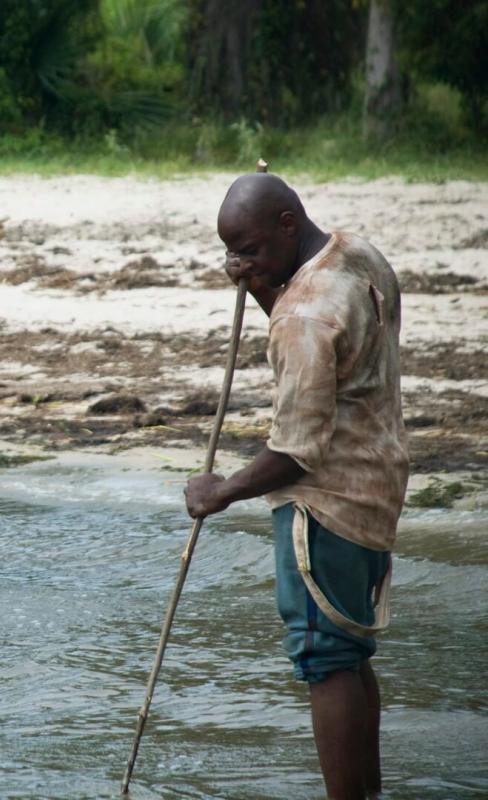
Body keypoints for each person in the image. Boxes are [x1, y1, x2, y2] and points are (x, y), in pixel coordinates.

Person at [184, 173, 409, 800]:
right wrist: (262, 285)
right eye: (231, 252)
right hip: (377, 485)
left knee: (325, 658)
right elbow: (332, 349)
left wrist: (220, 491)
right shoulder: (356, 255)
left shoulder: (304, 316)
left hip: (327, 504)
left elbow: (296, 451)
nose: (239, 263)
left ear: (287, 225)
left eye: (249, 250)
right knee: (350, 652)